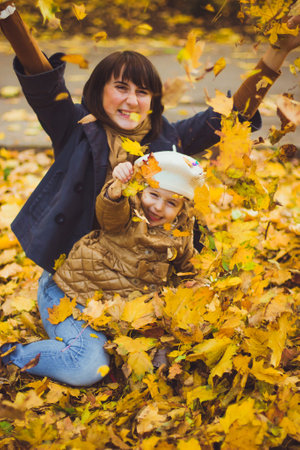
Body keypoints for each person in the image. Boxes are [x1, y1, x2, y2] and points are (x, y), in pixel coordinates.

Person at [1, 0, 300, 383]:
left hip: (132, 290)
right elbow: (43, 82)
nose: (130, 100)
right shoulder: (76, 127)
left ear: (153, 101)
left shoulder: (166, 140)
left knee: (190, 354)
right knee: (89, 365)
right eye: (120, 87)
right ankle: (11, 356)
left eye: (142, 92)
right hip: (69, 286)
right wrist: (9, 16)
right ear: (99, 90)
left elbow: (231, 116)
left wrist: (279, 51)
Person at [1, 151, 204, 386]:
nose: (158, 207)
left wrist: (199, 284)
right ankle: (11, 355)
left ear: (182, 207)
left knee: (169, 343)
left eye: (171, 202)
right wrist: (117, 188)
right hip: (70, 295)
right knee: (87, 366)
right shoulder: (128, 213)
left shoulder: (181, 230)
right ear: (140, 191)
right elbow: (110, 210)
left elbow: (189, 265)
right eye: (153, 194)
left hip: (113, 313)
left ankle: (158, 364)